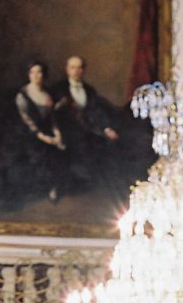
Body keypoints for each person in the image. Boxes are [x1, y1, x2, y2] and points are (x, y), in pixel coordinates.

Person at [50, 55, 131, 202]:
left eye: (79, 67)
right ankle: (59, 188)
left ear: (83, 70)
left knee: (110, 144)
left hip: (88, 130)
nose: (76, 71)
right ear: (67, 70)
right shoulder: (58, 89)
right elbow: (51, 115)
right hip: (65, 131)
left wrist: (106, 129)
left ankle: (111, 190)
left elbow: (97, 113)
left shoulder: (89, 90)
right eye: (73, 67)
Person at [14, 61, 68, 204]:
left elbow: (52, 118)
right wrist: (43, 137)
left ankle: (53, 189)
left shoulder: (48, 93)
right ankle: (36, 189)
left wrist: (57, 133)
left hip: (47, 130)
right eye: (33, 72)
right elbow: (26, 121)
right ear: (29, 74)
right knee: (39, 155)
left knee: (60, 152)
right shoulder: (23, 95)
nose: (37, 75)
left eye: (40, 72)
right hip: (29, 134)